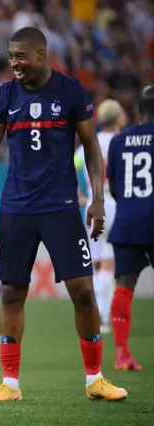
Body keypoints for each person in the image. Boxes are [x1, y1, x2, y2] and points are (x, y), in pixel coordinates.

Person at [0, 27, 127, 402]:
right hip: (17, 207)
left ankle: (95, 379)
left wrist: (98, 197)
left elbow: (90, 147)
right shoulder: (5, 94)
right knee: (11, 293)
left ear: (41, 55)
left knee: (83, 292)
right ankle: (10, 385)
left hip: (62, 206)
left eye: (21, 56)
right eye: (10, 57)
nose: (14, 63)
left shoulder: (69, 91)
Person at [106, 85, 154, 372]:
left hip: (127, 221)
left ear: (137, 109)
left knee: (124, 286)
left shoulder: (119, 140)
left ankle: (122, 355)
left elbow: (114, 187)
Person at [74, 99, 127, 334]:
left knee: (95, 264)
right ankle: (105, 316)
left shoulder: (85, 144)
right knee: (109, 262)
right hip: (113, 202)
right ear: (118, 118)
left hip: (91, 206)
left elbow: (67, 167)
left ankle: (94, 315)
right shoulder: (122, 142)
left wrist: (78, 195)